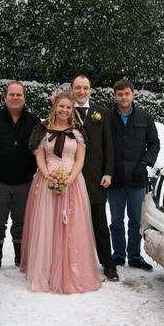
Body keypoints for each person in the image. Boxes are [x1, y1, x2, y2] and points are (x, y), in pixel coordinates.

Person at [20, 91, 101, 294]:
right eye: (61, 106)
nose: (64, 110)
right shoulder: (42, 129)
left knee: (72, 226)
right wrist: (48, 176)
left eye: (68, 107)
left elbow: (80, 159)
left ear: (72, 109)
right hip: (46, 181)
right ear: (54, 107)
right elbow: (39, 156)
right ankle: (44, 272)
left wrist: (69, 179)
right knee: (46, 226)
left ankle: (71, 270)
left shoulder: (78, 132)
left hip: (72, 182)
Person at [0, 81, 40, 273]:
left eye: (19, 95)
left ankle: (21, 258)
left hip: (24, 182)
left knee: (21, 221)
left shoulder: (33, 121)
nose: (15, 98)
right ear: (5, 97)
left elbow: (40, 148)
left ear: (24, 98)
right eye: (12, 94)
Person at [108, 79, 160, 270]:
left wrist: (146, 162)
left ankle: (135, 256)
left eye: (127, 93)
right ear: (115, 95)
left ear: (133, 94)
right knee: (116, 221)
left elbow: (154, 143)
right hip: (115, 178)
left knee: (136, 221)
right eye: (120, 94)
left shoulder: (145, 117)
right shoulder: (107, 117)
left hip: (137, 178)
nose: (124, 97)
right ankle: (119, 255)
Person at [71, 75, 118, 281]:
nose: (82, 91)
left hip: (95, 178)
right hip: (70, 176)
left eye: (85, 88)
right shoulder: (64, 109)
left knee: (99, 222)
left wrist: (108, 171)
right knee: (71, 223)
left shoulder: (102, 113)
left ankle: (108, 265)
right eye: (78, 88)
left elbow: (109, 145)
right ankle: (74, 264)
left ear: (90, 90)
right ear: (72, 89)